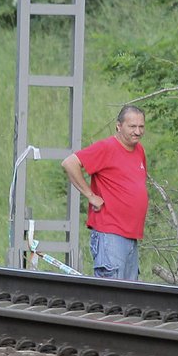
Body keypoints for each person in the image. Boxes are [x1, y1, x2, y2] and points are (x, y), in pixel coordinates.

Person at [61, 105, 149, 280]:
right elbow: (70, 163)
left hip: (131, 235)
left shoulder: (139, 150)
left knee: (130, 298)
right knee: (112, 296)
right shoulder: (107, 147)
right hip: (110, 234)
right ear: (119, 126)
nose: (137, 131)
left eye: (141, 126)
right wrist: (91, 195)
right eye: (132, 126)